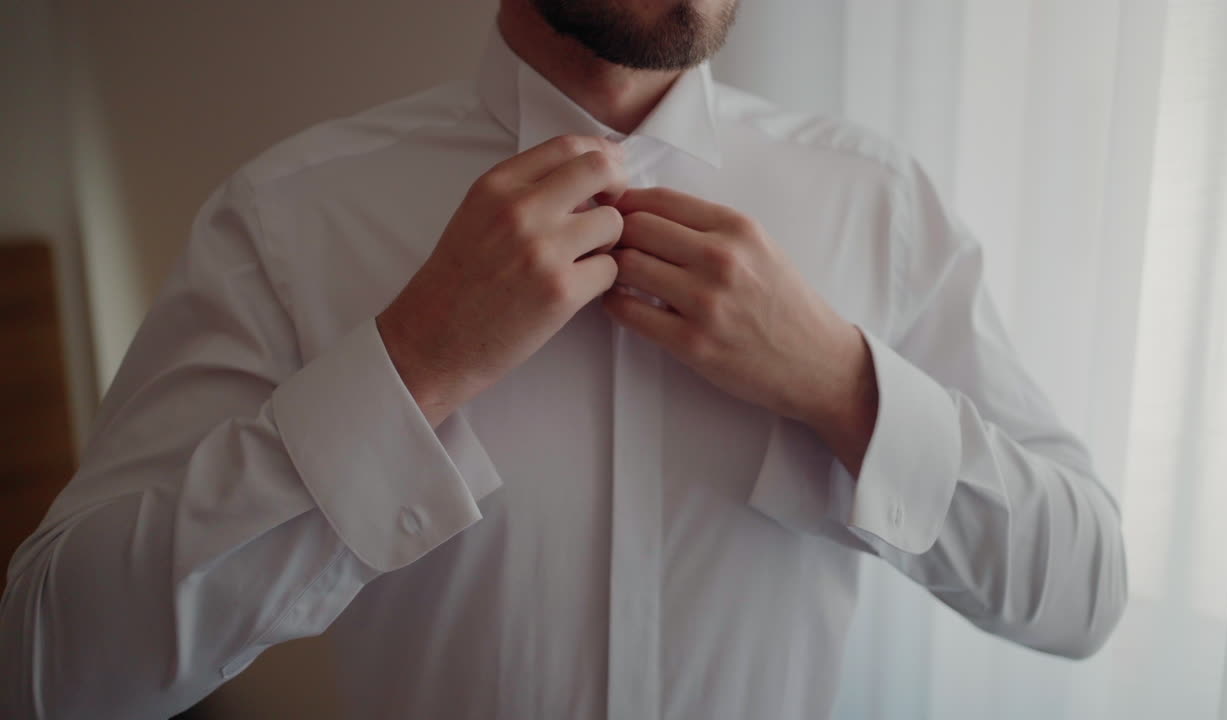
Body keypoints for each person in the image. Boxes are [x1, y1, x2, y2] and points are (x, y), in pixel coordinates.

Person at [0, 1, 1128, 718]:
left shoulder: (876, 202)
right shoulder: (291, 216)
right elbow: (49, 671)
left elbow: (1079, 593)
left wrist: (840, 385)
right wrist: (408, 366)